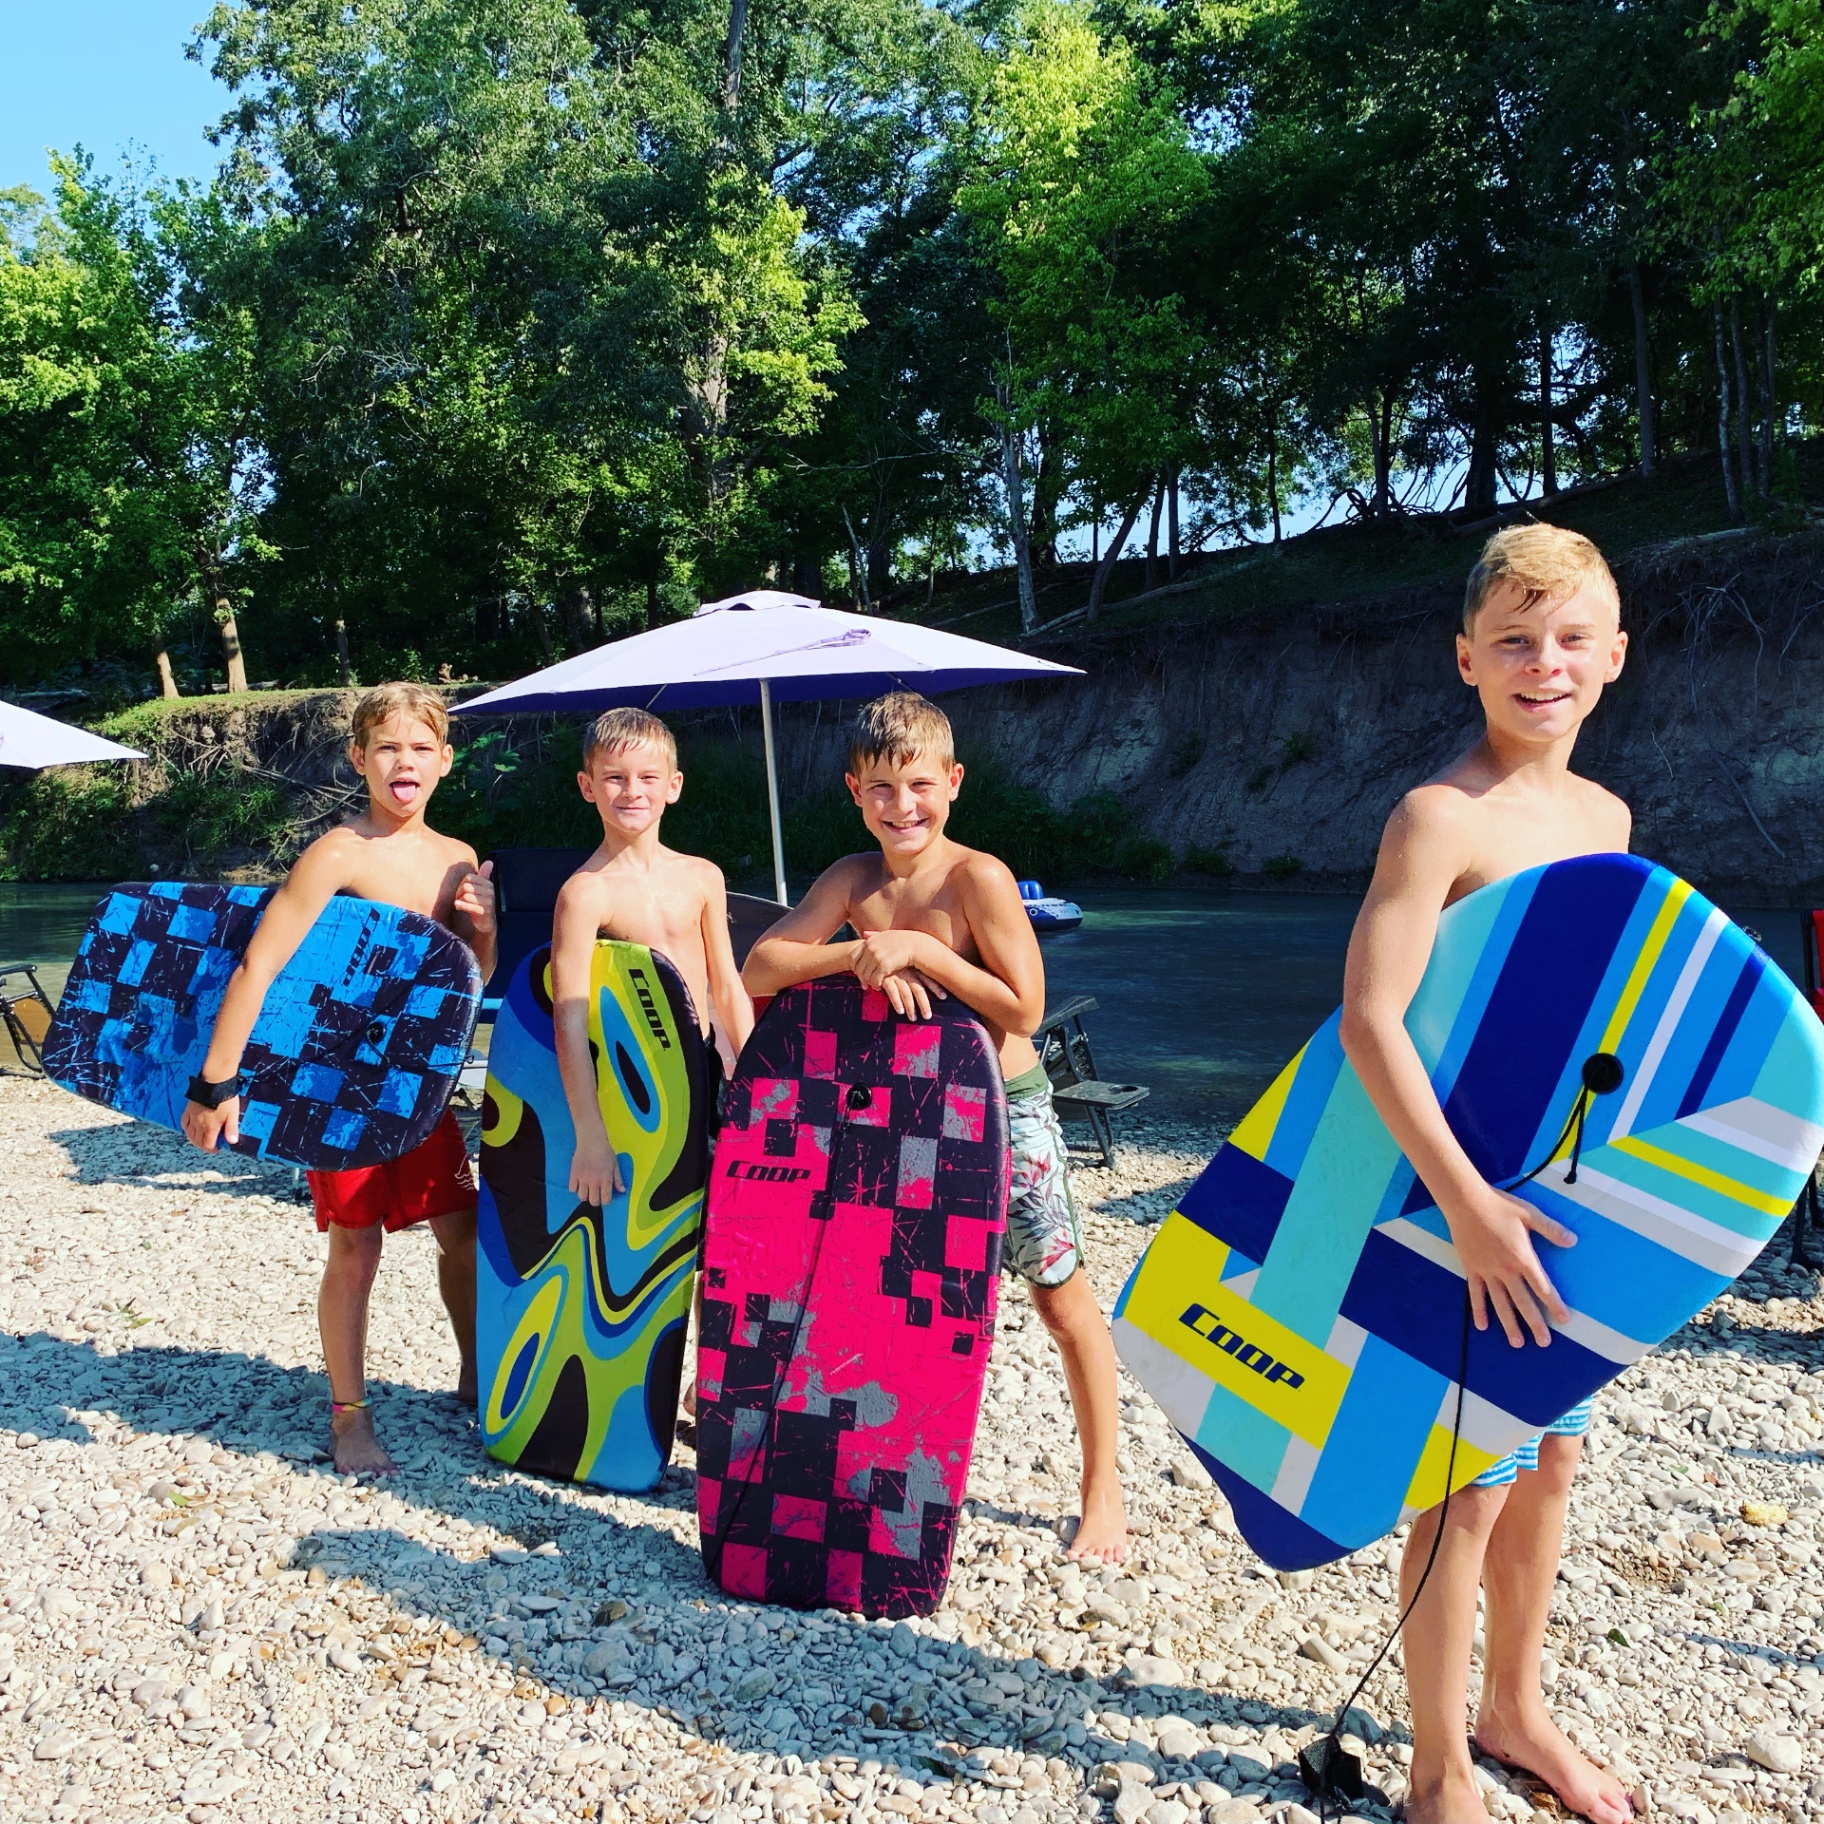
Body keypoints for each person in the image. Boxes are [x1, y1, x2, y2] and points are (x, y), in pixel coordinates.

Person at [1337, 523, 1634, 1824]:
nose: (1543, 663)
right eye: (1514, 640)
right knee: (1468, 1486)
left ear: (1614, 657)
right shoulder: (1437, 817)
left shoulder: (1607, 814)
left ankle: (1514, 1708)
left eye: (1570, 638)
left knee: (1551, 1463)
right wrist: (1465, 1206)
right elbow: (1371, 1019)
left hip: (1561, 1201)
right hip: (1452, 1203)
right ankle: (1438, 1768)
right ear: (1466, 658)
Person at [742, 691, 1128, 1564]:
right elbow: (762, 964)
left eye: (918, 784)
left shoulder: (976, 878)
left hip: (1004, 1112)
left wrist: (923, 952)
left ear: (953, 782)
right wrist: (856, 953)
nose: (901, 805)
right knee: (896, 1303)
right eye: (880, 789)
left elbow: (1025, 1004)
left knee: (1059, 1298)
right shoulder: (852, 880)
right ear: (853, 791)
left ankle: (1103, 1490)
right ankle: (881, 1469)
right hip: (902, 1112)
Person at [181, 683, 498, 1477]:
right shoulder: (338, 853)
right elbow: (262, 961)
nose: (405, 761)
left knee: (461, 1228)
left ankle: (475, 1376)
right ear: (359, 759)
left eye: (422, 748)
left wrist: (484, 930)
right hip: (334, 1084)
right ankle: (349, 1416)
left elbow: (462, 985)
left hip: (415, 1083)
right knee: (355, 1247)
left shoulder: (456, 855)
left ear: (445, 762)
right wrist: (216, 1079)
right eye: (388, 747)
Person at [550, 707, 754, 1209]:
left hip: (702, 1067)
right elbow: (569, 1018)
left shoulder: (703, 876)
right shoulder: (584, 893)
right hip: (627, 1080)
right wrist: (589, 1134)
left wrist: (757, 1080)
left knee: (718, 1220)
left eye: (647, 777)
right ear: (587, 785)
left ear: (674, 785)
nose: (632, 791)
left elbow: (726, 986)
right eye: (614, 778)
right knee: (646, 1216)